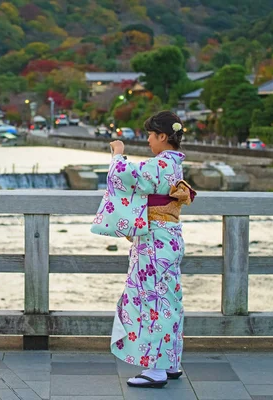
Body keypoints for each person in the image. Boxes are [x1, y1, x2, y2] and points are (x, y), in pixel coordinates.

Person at [94, 111, 195, 388]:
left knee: (151, 300)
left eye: (151, 135)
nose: (148, 140)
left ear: (163, 136)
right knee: (169, 299)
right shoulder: (173, 163)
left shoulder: (160, 163)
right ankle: (171, 362)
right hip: (169, 237)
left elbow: (128, 176)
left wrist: (117, 154)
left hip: (154, 241)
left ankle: (156, 369)